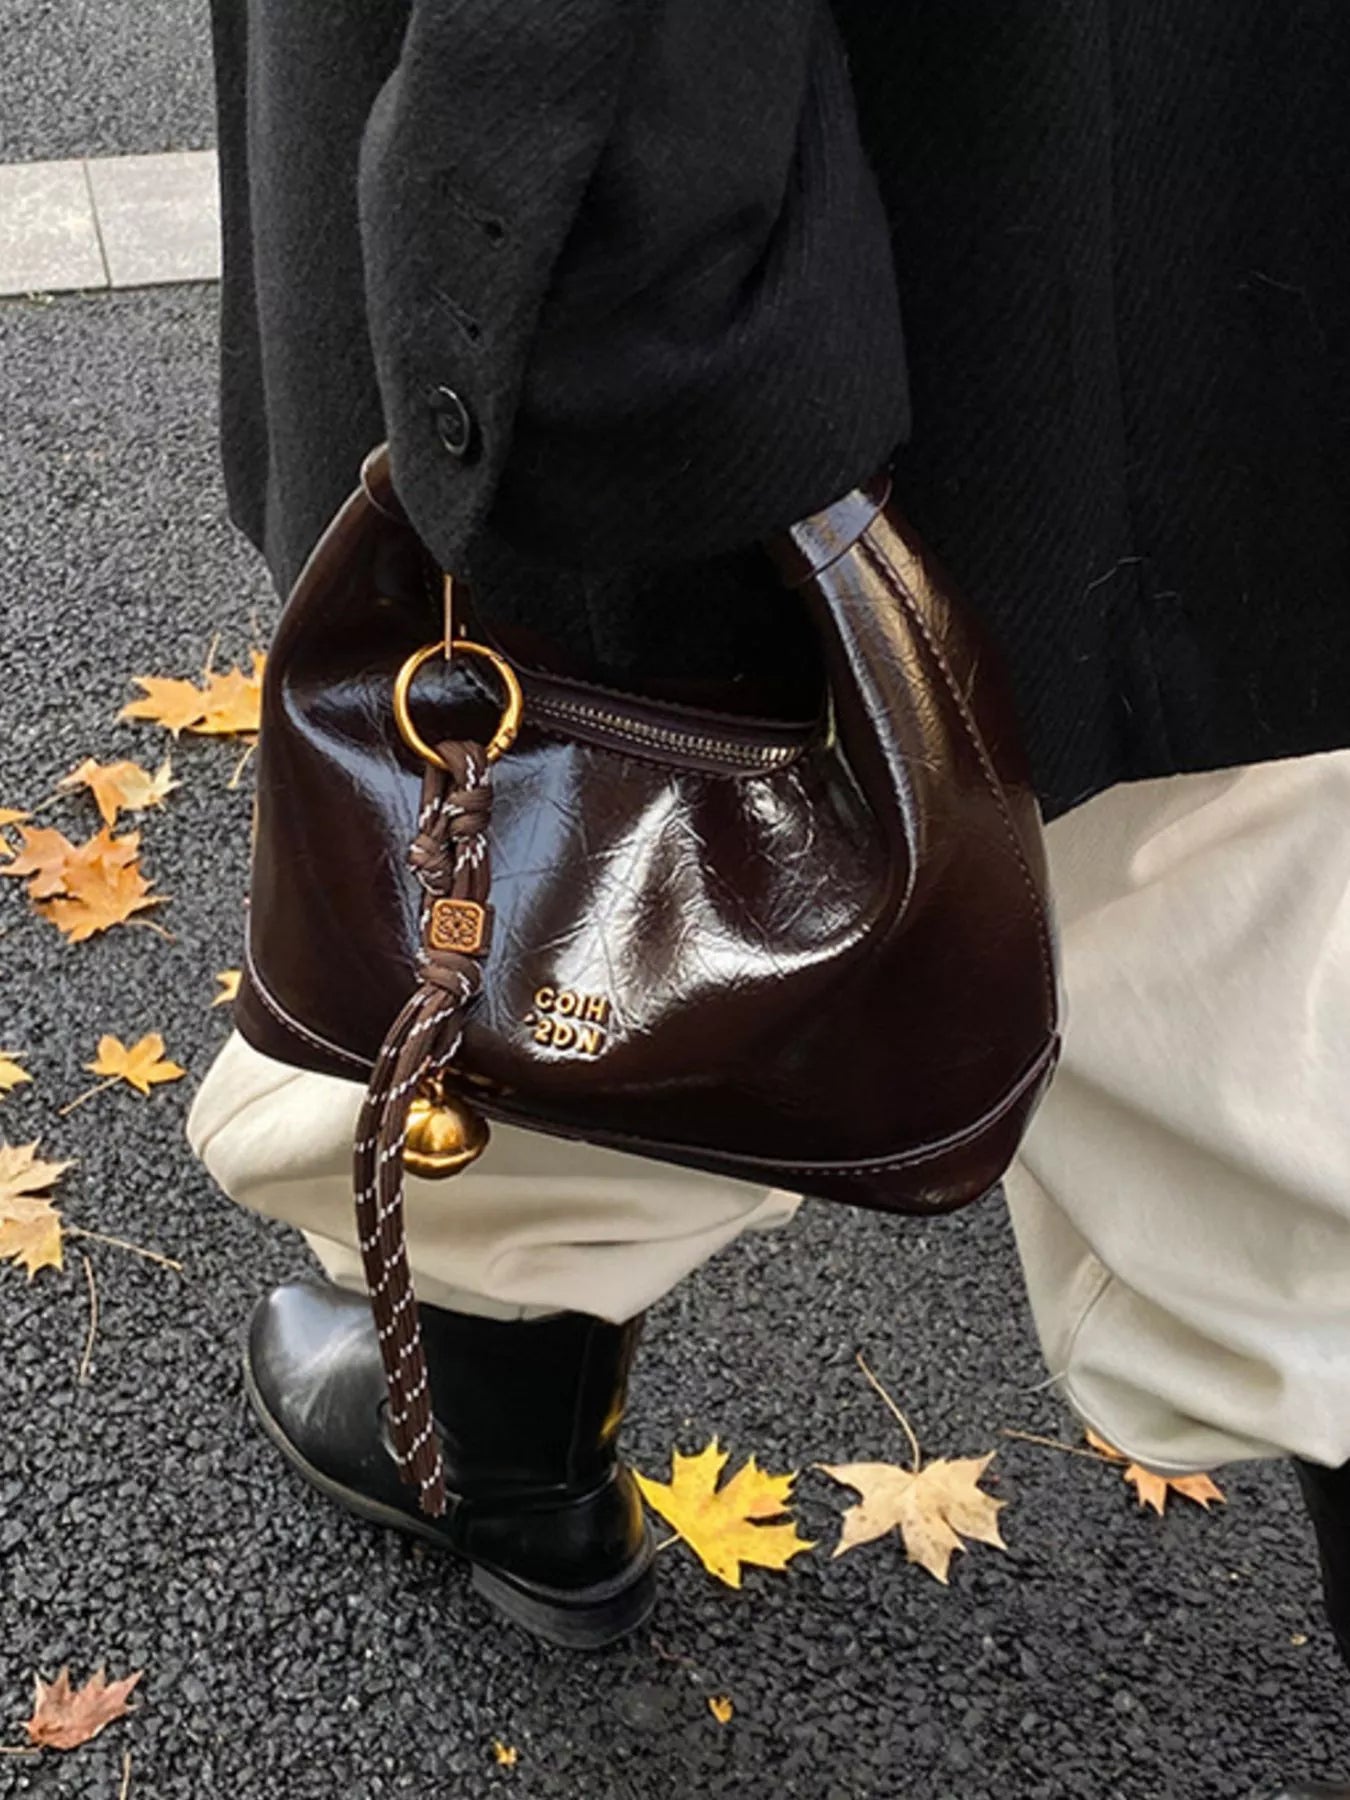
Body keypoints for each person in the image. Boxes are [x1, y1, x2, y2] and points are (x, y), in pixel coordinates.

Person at [193, 5, 1350, 1793]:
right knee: (1253, 935)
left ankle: (504, 1450)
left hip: (719, 150)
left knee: (536, 840)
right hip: (1239, 206)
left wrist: (557, 251)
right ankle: (498, 1434)